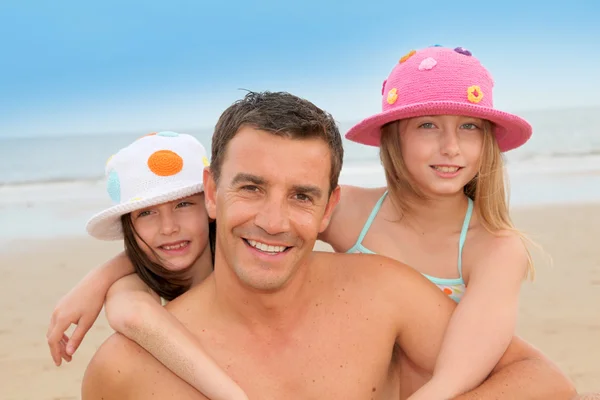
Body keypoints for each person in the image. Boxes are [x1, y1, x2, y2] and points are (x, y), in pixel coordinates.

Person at [80, 91, 576, 399]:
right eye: (251, 188)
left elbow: (543, 383)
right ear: (212, 192)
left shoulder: (382, 292)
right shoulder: (125, 370)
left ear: (329, 208)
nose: (273, 222)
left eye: (301, 196)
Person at [321, 44, 539, 398]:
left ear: (487, 142)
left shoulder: (493, 248)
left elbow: (452, 378)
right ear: (394, 137)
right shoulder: (347, 211)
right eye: (427, 125)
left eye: (469, 126)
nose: (450, 146)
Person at [46, 132, 248, 400]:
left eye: (184, 204)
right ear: (130, 226)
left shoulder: (250, 259)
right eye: (147, 212)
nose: (168, 227)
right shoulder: (132, 288)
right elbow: (131, 314)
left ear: (210, 203)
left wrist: (100, 277)